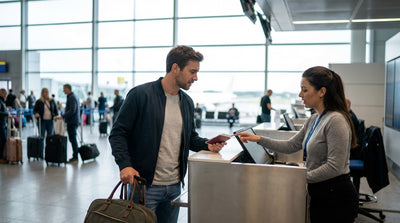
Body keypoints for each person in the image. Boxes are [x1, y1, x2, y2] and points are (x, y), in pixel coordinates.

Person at [109, 45, 226, 223]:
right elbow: (118, 133)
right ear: (175, 68)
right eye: (192, 71)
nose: (196, 78)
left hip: (174, 187)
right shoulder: (140, 95)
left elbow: (190, 137)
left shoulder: (186, 102)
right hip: (144, 186)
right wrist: (125, 165)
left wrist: (206, 145)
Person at [235, 66, 358, 223]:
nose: (300, 95)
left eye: (304, 90)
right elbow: (291, 145)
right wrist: (258, 139)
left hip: (335, 197)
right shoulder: (314, 119)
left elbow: (334, 167)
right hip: (320, 192)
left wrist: (297, 178)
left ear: (322, 91)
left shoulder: (336, 120)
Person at [61, 84, 80, 163]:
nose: (63, 90)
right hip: (74, 121)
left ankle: (75, 156)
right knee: (73, 138)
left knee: (73, 139)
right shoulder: (73, 96)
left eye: (64, 89)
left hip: (72, 121)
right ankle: (75, 155)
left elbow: (73, 110)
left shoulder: (71, 97)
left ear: (68, 89)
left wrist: (63, 115)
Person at [0, 89, 12, 164]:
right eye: (4, 93)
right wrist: (6, 114)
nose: (5, 95)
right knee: (2, 141)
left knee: (3, 140)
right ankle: (0, 157)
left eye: (6, 93)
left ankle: (2, 156)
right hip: (0, 124)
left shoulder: (2, 101)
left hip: (2, 124)